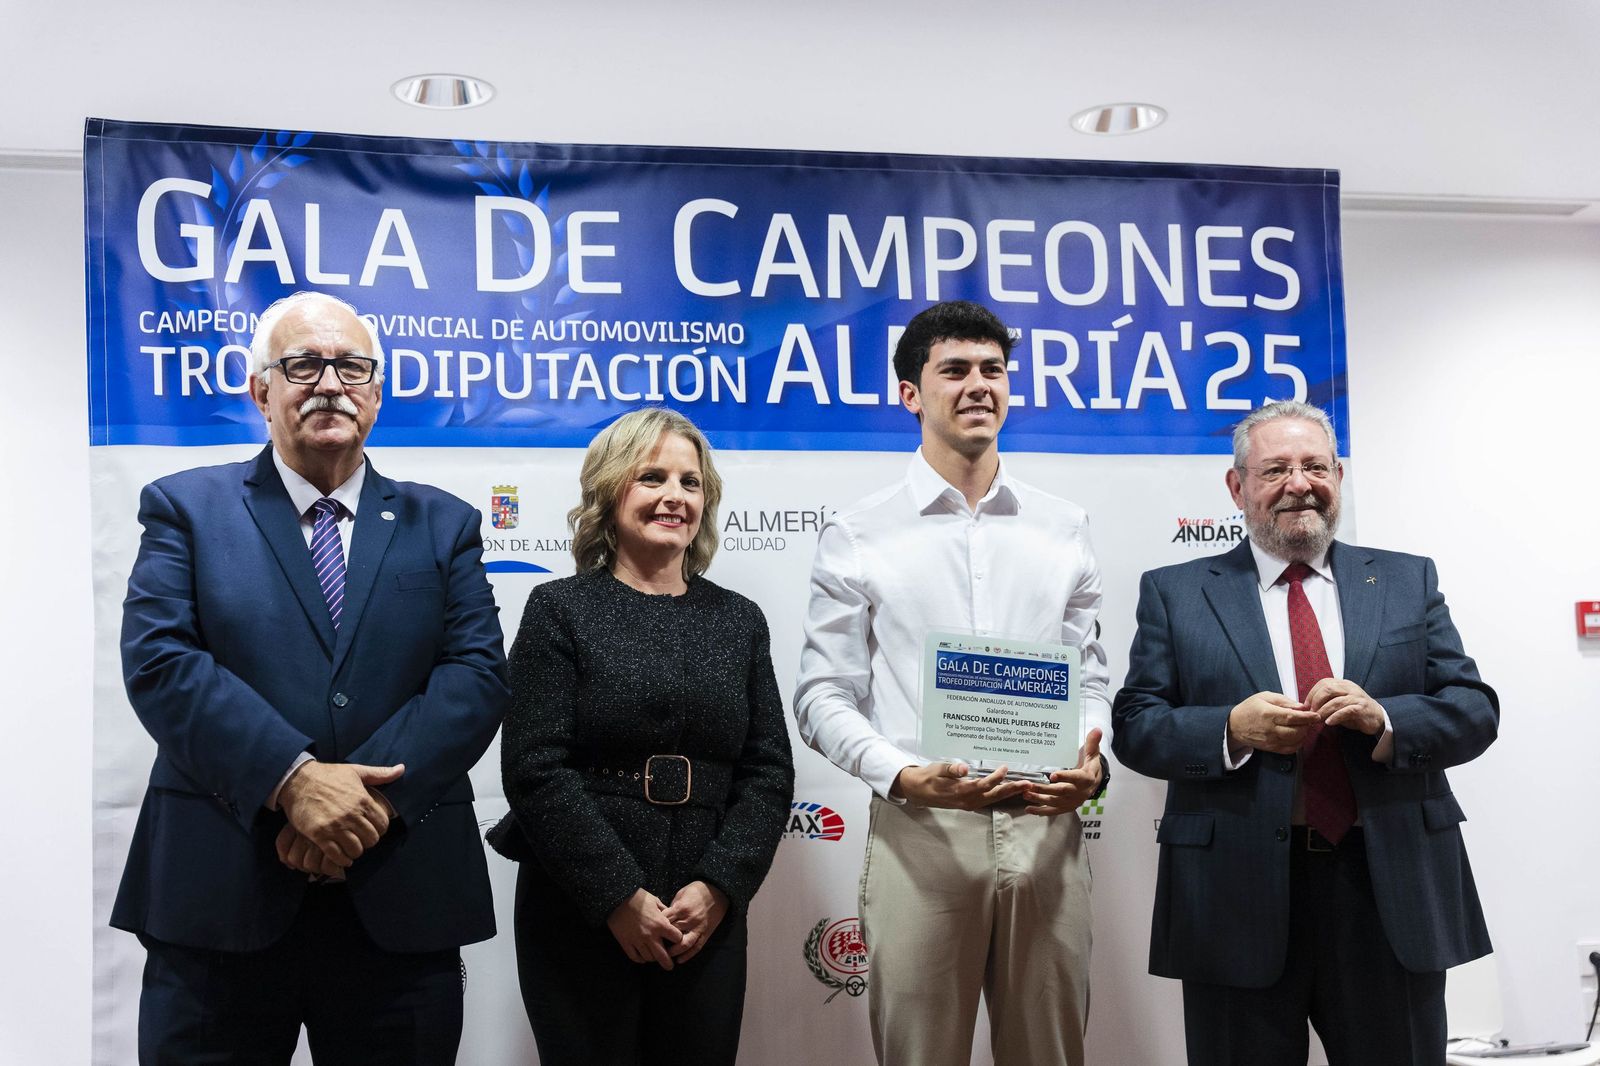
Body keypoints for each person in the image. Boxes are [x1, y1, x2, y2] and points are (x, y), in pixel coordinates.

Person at [113, 291, 510, 1064]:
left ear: (377, 392)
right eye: (303, 365)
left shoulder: (446, 524)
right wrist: (292, 781)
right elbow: (161, 662)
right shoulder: (185, 508)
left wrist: (363, 804)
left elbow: (475, 677)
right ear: (261, 390)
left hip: (398, 900)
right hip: (220, 901)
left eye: (351, 367)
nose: (330, 384)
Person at [1112, 400, 1498, 1066]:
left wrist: (1384, 719)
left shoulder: (1405, 579)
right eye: (1276, 470)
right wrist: (1231, 729)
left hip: (1387, 889)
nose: (1299, 484)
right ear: (1237, 487)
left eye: (1315, 466)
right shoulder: (1176, 593)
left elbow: (1473, 709)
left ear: (1338, 477)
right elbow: (1136, 725)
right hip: (1232, 895)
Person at [793, 300, 1110, 1066]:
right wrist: (904, 774)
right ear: (911, 393)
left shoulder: (1063, 526)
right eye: (956, 369)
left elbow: (1089, 675)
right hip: (924, 833)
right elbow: (821, 696)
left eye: (993, 369)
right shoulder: (859, 533)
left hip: (1046, 828)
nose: (979, 385)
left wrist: (1089, 759)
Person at [489, 407, 793, 1066]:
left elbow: (769, 772)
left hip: (703, 916)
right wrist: (617, 897)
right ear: (610, 490)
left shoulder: (740, 620)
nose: (674, 496)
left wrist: (718, 887)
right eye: (652, 477)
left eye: (690, 482)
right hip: (579, 905)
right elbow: (534, 766)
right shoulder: (559, 609)